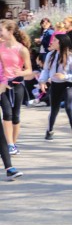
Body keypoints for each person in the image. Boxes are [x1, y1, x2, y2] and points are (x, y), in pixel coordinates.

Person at [38, 34, 72, 146]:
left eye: (54, 40)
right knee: (54, 109)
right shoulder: (50, 55)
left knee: (69, 108)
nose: (51, 42)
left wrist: (66, 77)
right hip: (55, 85)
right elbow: (46, 70)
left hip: (68, 85)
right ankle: (49, 131)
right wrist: (42, 81)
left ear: (61, 43)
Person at [0, 20, 33, 156]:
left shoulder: (22, 49)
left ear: (10, 31)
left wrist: (21, 73)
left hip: (17, 85)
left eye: (1, 30)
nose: (0, 32)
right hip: (3, 85)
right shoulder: (0, 46)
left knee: (15, 115)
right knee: (6, 113)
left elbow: (29, 70)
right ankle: (9, 144)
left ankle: (13, 143)